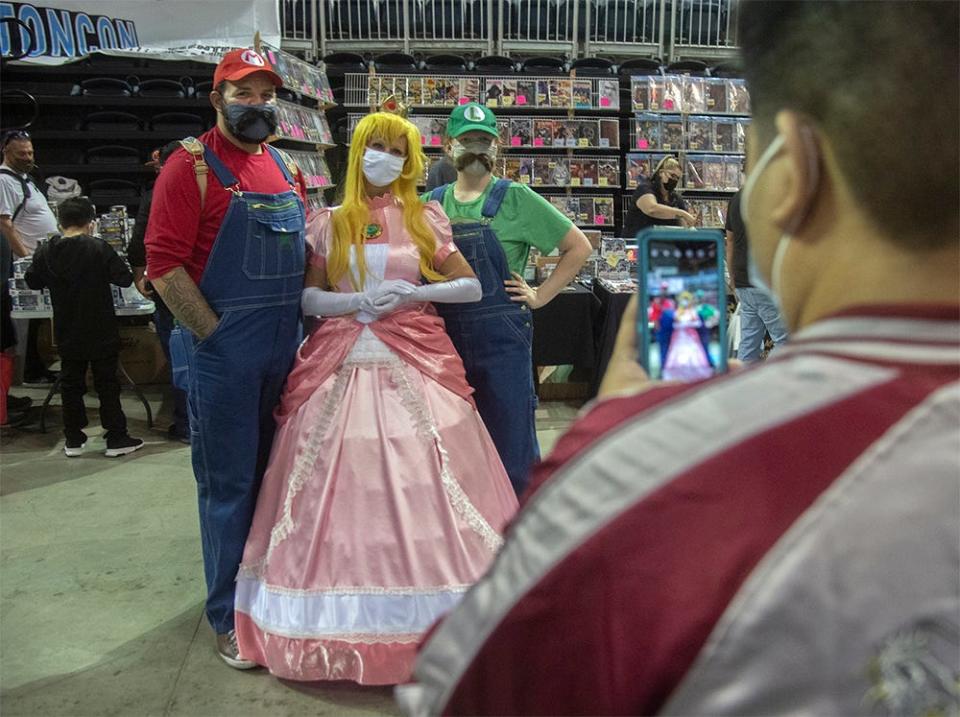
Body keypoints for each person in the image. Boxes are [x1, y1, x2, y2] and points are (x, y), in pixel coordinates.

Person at [399, 1, 960, 714]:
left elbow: (463, 689)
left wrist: (616, 451)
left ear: (790, 169)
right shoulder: (440, 199)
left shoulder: (659, 470)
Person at [234, 110, 518, 685]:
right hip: (337, 360)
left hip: (415, 354)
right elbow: (310, 299)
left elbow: (472, 286)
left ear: (410, 159)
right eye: (374, 146)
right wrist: (350, 304)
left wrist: (409, 294)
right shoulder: (329, 221)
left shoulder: (425, 217)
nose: (383, 158)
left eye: (395, 149)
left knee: (431, 475)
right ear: (358, 151)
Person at [145, 48, 308, 668]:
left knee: (276, 484)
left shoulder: (285, 167)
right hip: (226, 357)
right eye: (244, 93)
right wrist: (214, 338)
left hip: (284, 353)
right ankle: (225, 615)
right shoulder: (189, 168)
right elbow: (163, 267)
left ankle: (266, 600)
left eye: (266, 94)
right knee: (229, 488)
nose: (257, 104)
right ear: (217, 98)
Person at [426, 102, 592, 495]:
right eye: (468, 140)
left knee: (512, 439)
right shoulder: (430, 202)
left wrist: (540, 295)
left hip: (502, 339)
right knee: (450, 438)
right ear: (449, 145)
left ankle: (520, 526)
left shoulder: (515, 197)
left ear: (497, 148)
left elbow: (578, 248)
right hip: (441, 338)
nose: (477, 149)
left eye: (485, 141)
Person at [24, 198, 144, 457]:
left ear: (60, 221)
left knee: (71, 384)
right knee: (107, 384)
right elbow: (124, 280)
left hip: (67, 329)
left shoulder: (46, 251)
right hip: (100, 327)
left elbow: (32, 281)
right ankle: (116, 438)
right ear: (91, 222)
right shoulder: (98, 248)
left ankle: (74, 439)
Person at [126, 141, 189, 443]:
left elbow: (139, 240)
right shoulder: (213, 187)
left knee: (179, 356)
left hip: (169, 287)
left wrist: (141, 275)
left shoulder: (155, 195)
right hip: (207, 286)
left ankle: (187, 424)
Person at [0, 130, 59, 385]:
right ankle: (23, 374)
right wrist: (25, 260)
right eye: (21, 153)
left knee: (35, 320)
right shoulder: (3, 181)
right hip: (23, 263)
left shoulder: (24, 178)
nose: (27, 157)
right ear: (6, 151)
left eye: (30, 152)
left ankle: (34, 368)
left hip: (38, 260)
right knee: (23, 322)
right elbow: (4, 223)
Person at [726, 189, 789, 361]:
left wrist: (732, 278)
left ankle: (743, 382)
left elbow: (730, 241)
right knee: (785, 341)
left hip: (742, 280)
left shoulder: (736, 198)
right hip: (763, 280)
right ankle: (773, 380)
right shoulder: (768, 195)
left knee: (749, 341)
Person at [622, 155, 696, 238]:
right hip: (636, 244)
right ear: (661, 173)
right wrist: (681, 213)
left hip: (662, 246)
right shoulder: (645, 188)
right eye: (672, 175)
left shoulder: (676, 198)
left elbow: (685, 227)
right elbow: (651, 209)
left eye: (677, 178)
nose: (674, 180)